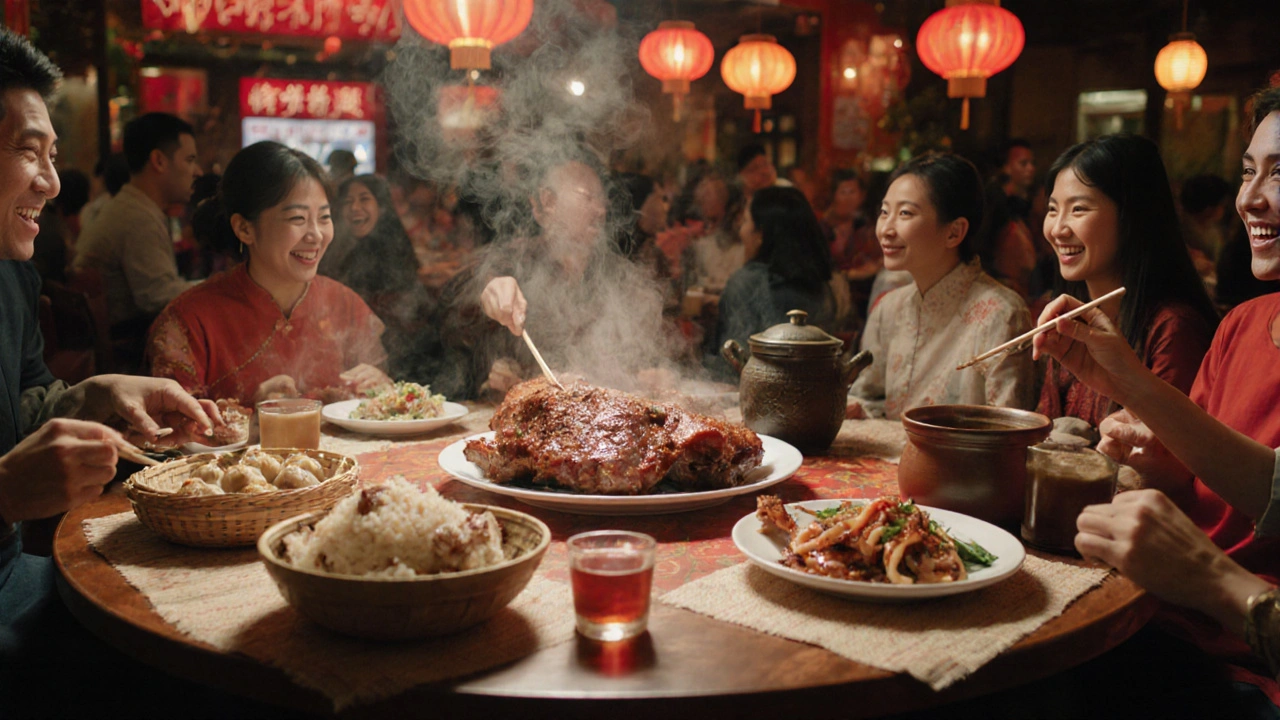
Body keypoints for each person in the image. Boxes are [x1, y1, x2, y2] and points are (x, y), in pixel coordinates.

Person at [0, 31, 243, 714]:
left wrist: (102, 393)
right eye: (28, 151)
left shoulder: (13, 275)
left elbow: (24, 403)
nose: (51, 182)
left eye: (53, 156)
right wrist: (5, 491)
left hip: (18, 571)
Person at [1032, 84, 1280, 709]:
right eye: (1248, 171)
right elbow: (1208, 488)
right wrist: (1149, 442)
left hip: (1244, 663)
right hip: (1164, 618)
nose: (1250, 197)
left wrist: (1214, 580)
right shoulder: (1244, 324)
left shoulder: (1178, 322)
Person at [147, 141, 391, 407]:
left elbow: (381, 405)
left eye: (323, 217)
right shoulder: (189, 321)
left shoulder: (345, 304)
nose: (316, 235)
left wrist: (380, 386)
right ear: (244, 229)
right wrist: (253, 416)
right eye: (297, 219)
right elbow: (168, 434)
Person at [432, 154, 671, 400]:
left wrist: (651, 373)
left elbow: (639, 352)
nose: (600, 210)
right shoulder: (516, 260)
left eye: (602, 200)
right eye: (587, 197)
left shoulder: (616, 273)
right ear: (547, 202)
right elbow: (453, 308)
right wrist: (488, 290)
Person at [1035, 134, 1218, 430]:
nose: (1057, 229)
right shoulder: (1069, 319)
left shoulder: (1172, 328)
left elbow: (1170, 456)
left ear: (1132, 215)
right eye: (1053, 209)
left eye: (1078, 209)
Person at [849, 152, 1035, 420]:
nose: (886, 229)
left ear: (954, 232)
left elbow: (1009, 431)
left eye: (905, 213)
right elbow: (868, 397)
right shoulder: (890, 308)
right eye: (884, 212)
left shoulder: (1001, 314)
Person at [73, 113, 202, 361]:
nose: (197, 171)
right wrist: (221, 288)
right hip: (130, 354)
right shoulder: (137, 218)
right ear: (159, 161)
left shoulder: (131, 206)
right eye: (190, 160)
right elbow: (157, 298)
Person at [707, 186, 835, 379]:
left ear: (760, 235)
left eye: (746, 222)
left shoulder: (746, 283)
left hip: (760, 398)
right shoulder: (820, 283)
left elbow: (733, 367)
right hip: (814, 396)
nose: (741, 231)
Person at [327, 174, 435, 381]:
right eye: (348, 202)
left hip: (400, 361)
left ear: (382, 206)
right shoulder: (337, 251)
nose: (355, 207)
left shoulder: (393, 247)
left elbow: (408, 319)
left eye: (364, 199)